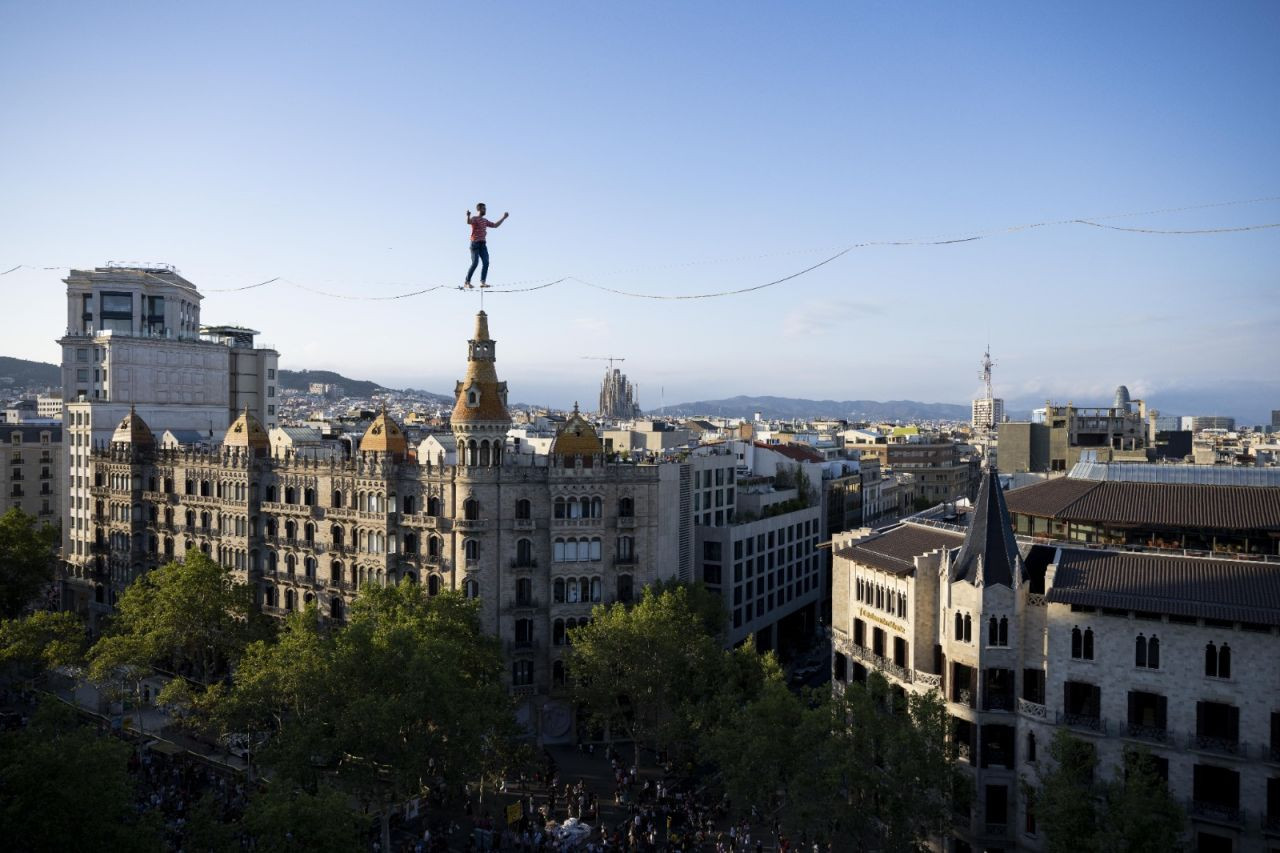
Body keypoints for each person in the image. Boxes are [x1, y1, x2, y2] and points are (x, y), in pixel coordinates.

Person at [464, 203, 509, 288]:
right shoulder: (475, 218)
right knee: (475, 263)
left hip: (483, 245)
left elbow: (495, 225)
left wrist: (504, 218)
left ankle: (482, 282)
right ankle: (467, 282)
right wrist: (468, 216)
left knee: (486, 262)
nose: (485, 210)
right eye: (483, 209)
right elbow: (469, 222)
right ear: (479, 209)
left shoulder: (485, 220)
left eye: (485, 208)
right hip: (475, 244)